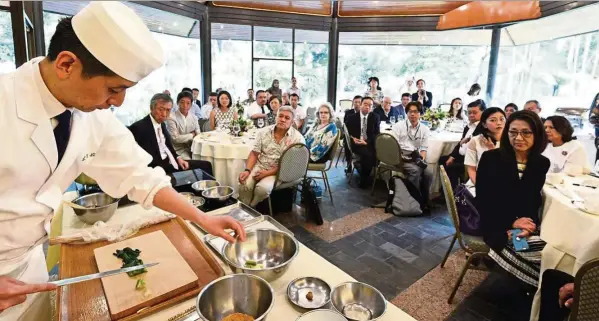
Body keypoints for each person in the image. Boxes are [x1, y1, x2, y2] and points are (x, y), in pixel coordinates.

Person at [0, 3, 245, 320]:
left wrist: (203, 219)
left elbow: (140, 177)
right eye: (114, 89)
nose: (117, 102)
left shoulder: (92, 117)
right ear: (66, 64)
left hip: (28, 271)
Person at [477, 110, 549, 287]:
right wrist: (513, 222)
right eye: (513, 132)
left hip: (523, 225)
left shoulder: (541, 163)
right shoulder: (491, 158)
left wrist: (528, 226)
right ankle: (548, 294)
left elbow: (532, 201)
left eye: (526, 132)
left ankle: (543, 291)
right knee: (545, 258)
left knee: (552, 253)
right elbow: (484, 201)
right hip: (496, 224)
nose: (518, 137)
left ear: (537, 135)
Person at [129, 93, 213, 175]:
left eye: (168, 110)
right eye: (161, 109)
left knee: (206, 165)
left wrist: (178, 158)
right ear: (151, 108)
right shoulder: (139, 128)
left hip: (172, 161)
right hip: (157, 170)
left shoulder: (161, 124)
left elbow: (168, 146)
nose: (164, 114)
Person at [238, 106, 305, 207]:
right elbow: (254, 153)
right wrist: (247, 170)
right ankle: (244, 207)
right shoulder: (263, 132)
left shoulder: (298, 139)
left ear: (292, 122)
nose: (282, 119)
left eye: (287, 118)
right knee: (244, 184)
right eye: (280, 116)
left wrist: (266, 173)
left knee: (262, 189)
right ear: (276, 117)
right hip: (260, 165)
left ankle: (252, 206)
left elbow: (290, 165)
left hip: (280, 171)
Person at [392, 101, 434, 211]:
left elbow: (424, 149)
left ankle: (425, 200)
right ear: (406, 113)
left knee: (429, 172)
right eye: (410, 111)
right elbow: (393, 146)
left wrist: (421, 161)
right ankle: (413, 201)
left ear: (420, 114)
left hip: (415, 158)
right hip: (400, 157)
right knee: (415, 171)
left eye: (416, 112)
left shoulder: (424, 129)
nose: (412, 114)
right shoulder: (398, 126)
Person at [439, 99, 484, 188]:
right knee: (442, 159)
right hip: (461, 156)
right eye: (469, 112)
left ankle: (455, 193)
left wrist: (469, 139)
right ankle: (445, 190)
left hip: (470, 160)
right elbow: (460, 143)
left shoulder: (483, 128)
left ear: (483, 113)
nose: (471, 115)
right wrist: (452, 156)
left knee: (452, 167)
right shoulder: (468, 126)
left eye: (474, 112)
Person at [464, 107, 506, 184]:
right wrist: (480, 187)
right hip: (480, 181)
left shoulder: (511, 140)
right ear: (484, 124)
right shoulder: (476, 141)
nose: (499, 123)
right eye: (493, 120)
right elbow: (471, 169)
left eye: (502, 119)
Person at [346, 97, 381, 188]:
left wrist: (366, 142)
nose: (367, 107)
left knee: (376, 153)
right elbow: (347, 133)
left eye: (370, 105)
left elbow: (376, 133)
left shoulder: (375, 117)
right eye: (365, 104)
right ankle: (365, 179)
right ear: (360, 105)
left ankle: (364, 175)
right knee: (368, 155)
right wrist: (352, 138)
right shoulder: (352, 117)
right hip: (356, 143)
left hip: (368, 142)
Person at [167, 91, 201, 159]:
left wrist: (195, 134)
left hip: (193, 148)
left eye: (188, 103)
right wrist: (192, 135)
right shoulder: (171, 118)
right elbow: (176, 139)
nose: (185, 105)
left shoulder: (194, 117)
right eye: (182, 102)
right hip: (178, 150)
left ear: (191, 104)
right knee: (191, 163)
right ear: (177, 103)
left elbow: (198, 134)